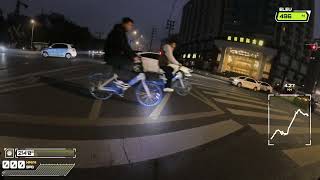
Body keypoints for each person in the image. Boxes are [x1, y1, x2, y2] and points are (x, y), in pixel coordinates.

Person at [104, 17, 141, 95]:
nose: (130, 27)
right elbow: (124, 46)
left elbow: (126, 46)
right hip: (111, 56)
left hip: (115, 55)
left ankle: (118, 86)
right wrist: (133, 57)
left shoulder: (121, 31)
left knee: (127, 64)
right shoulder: (118, 32)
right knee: (128, 64)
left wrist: (134, 55)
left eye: (131, 25)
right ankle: (119, 84)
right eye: (130, 25)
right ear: (124, 24)